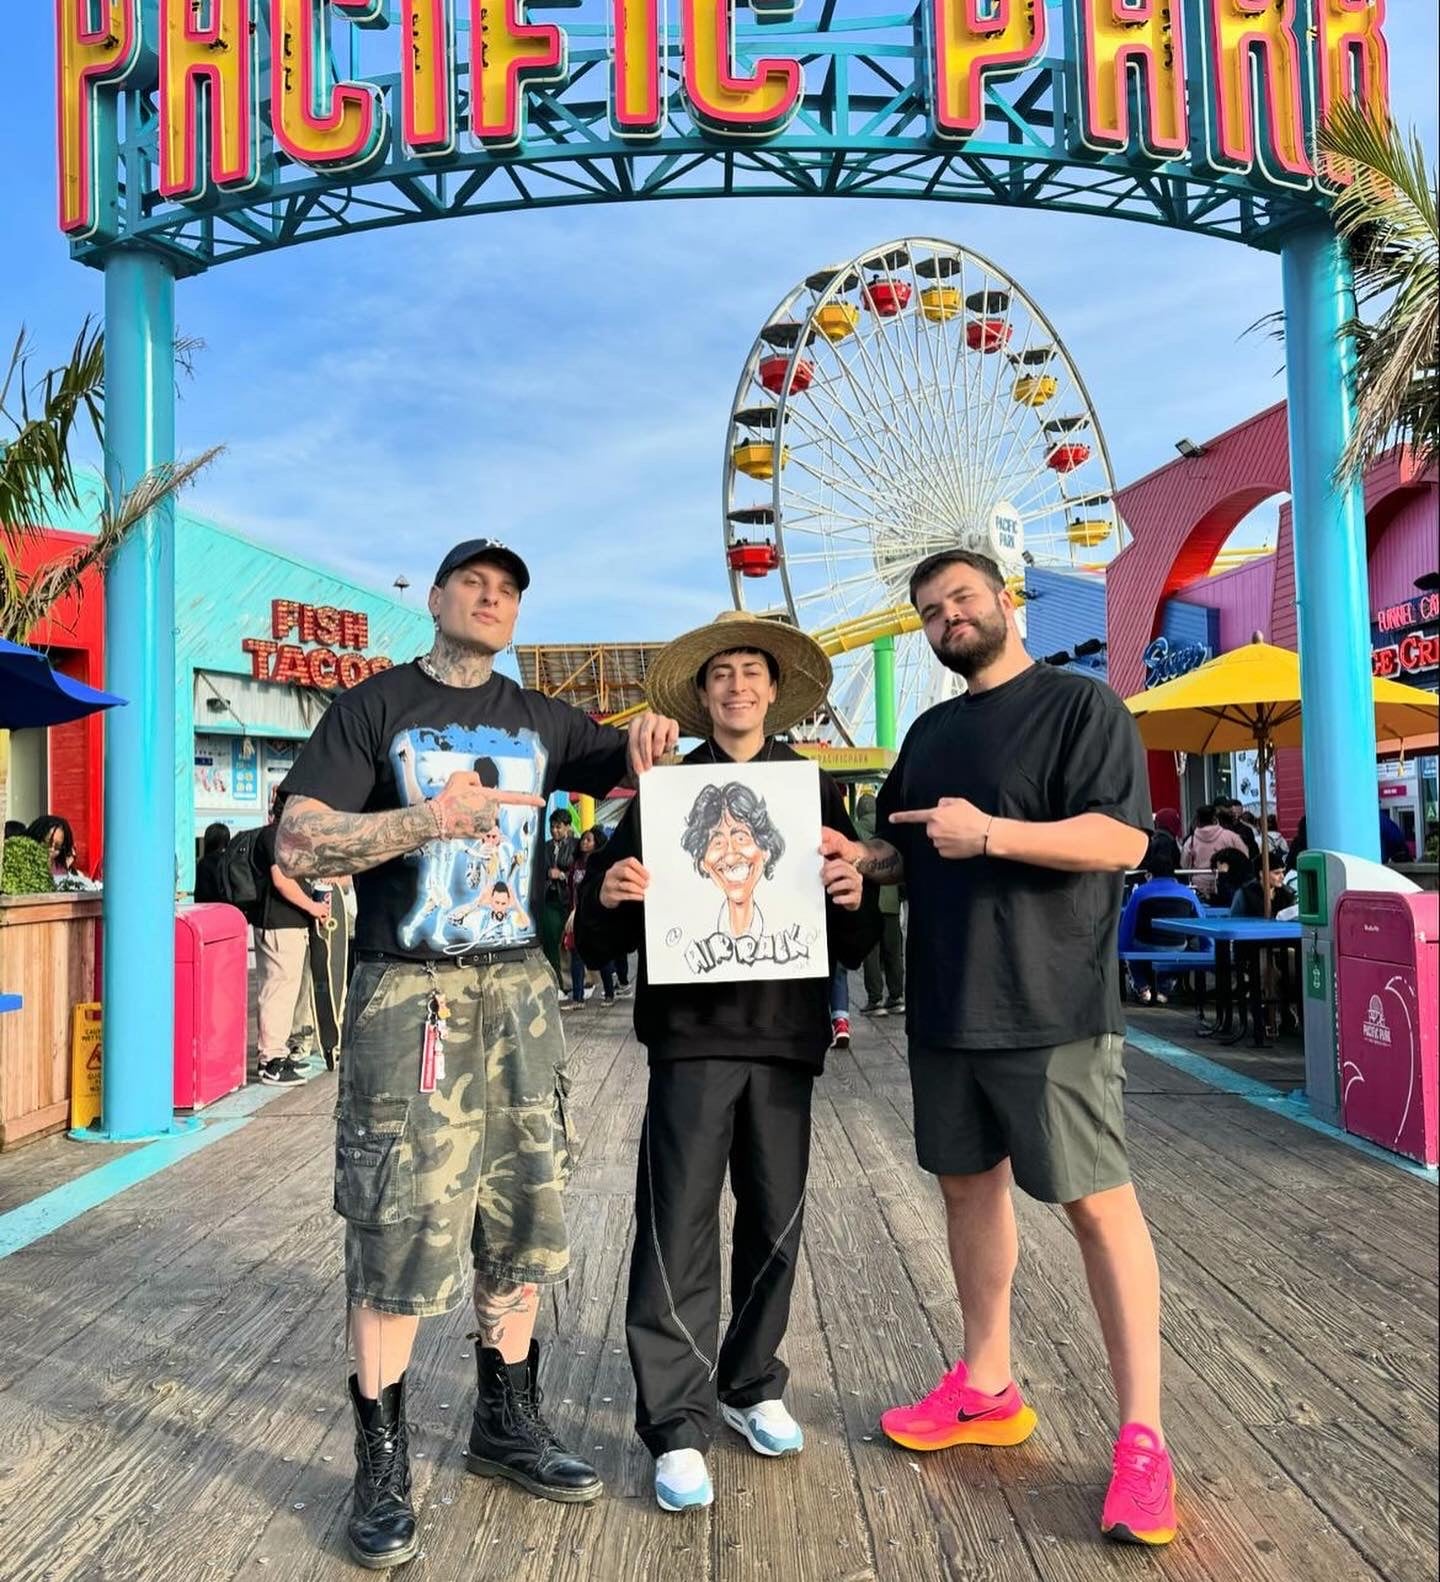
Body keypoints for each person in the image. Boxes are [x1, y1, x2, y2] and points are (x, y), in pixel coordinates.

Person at [274, 536, 679, 1570]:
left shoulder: (543, 719)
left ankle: (507, 1423)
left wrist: (654, 740)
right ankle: (381, 1463)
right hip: (410, 994)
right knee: (397, 1222)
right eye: (476, 583)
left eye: (509, 590)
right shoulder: (373, 707)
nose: (493, 598)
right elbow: (299, 843)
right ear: (441, 598)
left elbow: (636, 760)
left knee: (525, 1210)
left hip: (522, 988)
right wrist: (425, 817)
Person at [821, 550, 1177, 1547]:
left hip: (1053, 1004)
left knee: (1099, 1209)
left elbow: (1121, 842)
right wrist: (865, 861)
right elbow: (911, 843)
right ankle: (986, 1382)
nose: (949, 618)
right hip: (946, 1004)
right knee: (967, 1190)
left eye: (963, 599)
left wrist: (997, 836)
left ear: (1005, 601)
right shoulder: (930, 730)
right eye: (932, 612)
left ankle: (1143, 1437)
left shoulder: (1081, 706)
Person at [575, 610, 876, 1515]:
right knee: (678, 1223)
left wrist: (855, 891)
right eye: (721, 676)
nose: (738, 686)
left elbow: (850, 939)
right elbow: (599, 930)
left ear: (774, 690)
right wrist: (612, 891)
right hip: (691, 1037)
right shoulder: (663, 796)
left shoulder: (814, 792)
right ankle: (673, 1421)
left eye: (752, 672)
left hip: (787, 1039)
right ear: (702, 697)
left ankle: (751, 1385)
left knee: (776, 1221)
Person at [254, 791, 330, 1086]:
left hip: (281, 924)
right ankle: (271, 1060)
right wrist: (313, 906)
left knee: (281, 991)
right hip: (280, 925)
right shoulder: (276, 836)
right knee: (278, 992)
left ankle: (276, 1054)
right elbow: (281, 880)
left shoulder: (276, 835)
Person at [1117, 843, 1194, 1005]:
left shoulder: (1140, 893)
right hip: (1178, 945)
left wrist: (1122, 950)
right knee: (1186, 948)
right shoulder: (1187, 892)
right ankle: (1165, 987)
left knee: (1132, 948)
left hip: (1145, 944)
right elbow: (1202, 922)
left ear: (1149, 874)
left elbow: (1127, 927)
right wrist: (1209, 950)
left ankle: (1142, 987)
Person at [855, 792, 904, 1016]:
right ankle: (896, 996)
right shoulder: (886, 827)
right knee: (893, 950)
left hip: (869, 900)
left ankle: (875, 999)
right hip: (891, 898)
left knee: (871, 953)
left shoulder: (855, 827)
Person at [564, 828, 615, 1006]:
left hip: (595, 915)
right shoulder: (575, 864)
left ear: (597, 844)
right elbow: (571, 889)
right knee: (576, 954)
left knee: (601, 954)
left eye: (589, 840)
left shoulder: (600, 865)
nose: (584, 842)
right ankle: (578, 998)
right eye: (583, 839)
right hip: (575, 914)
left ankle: (610, 992)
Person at [540, 808, 576, 989]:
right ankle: (557, 983)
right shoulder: (544, 847)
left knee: (572, 944)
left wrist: (561, 875)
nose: (554, 830)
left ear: (567, 827)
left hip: (569, 900)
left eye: (558, 827)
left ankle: (581, 982)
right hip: (550, 899)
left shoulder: (576, 846)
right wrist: (548, 873)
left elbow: (578, 871)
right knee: (551, 940)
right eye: (552, 827)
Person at [1180, 805, 1244, 894]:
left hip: (1199, 887)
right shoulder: (1231, 837)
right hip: (1226, 884)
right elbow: (1244, 857)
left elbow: (1184, 864)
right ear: (1215, 819)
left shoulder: (1191, 841)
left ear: (1197, 820)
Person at [193, 822, 232, 903]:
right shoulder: (232, 860)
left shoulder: (204, 863)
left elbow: (202, 894)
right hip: (231, 909)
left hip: (211, 909)